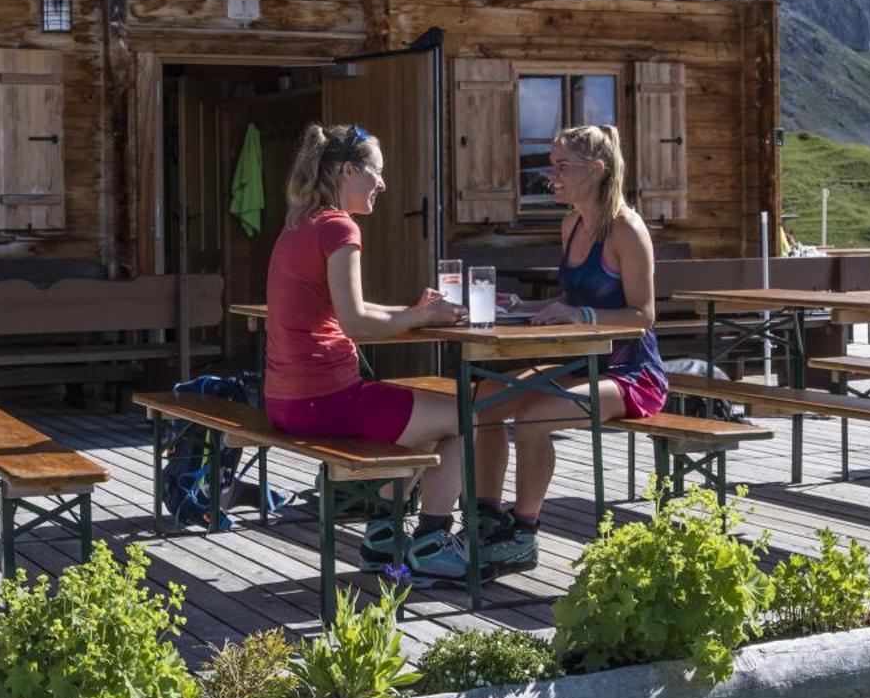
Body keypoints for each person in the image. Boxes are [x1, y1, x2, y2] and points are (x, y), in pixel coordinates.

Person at [264, 122, 473, 583]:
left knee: (418, 420)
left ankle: (383, 536)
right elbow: (356, 322)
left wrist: (415, 311)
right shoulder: (340, 227)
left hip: (287, 399)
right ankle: (433, 540)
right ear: (344, 171)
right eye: (375, 172)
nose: (382, 183)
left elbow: (345, 309)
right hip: (326, 400)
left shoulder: (300, 222)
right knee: (468, 415)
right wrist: (420, 318)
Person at [473, 124, 669, 570]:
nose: (551, 174)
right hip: (583, 364)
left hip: (631, 374)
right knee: (484, 399)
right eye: (551, 164)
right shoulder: (571, 223)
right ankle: (487, 516)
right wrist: (526, 304)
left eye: (562, 165)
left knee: (532, 418)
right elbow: (574, 302)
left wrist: (580, 317)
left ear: (596, 170)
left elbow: (643, 316)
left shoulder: (627, 230)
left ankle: (524, 532)